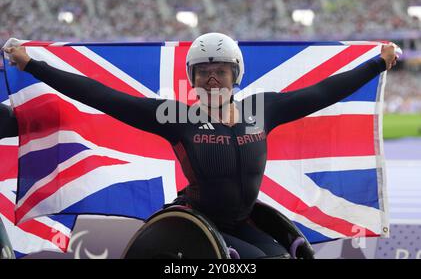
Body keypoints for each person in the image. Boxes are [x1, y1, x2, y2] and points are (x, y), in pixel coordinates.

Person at [1, 33, 399, 258]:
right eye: (204, 73)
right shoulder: (178, 118)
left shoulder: (264, 109)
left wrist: (376, 63)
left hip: (245, 219)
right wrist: (32, 64)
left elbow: (325, 91)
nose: (212, 80)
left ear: (235, 74)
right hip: (197, 223)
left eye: (220, 72)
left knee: (300, 256)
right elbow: (100, 95)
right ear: (192, 76)